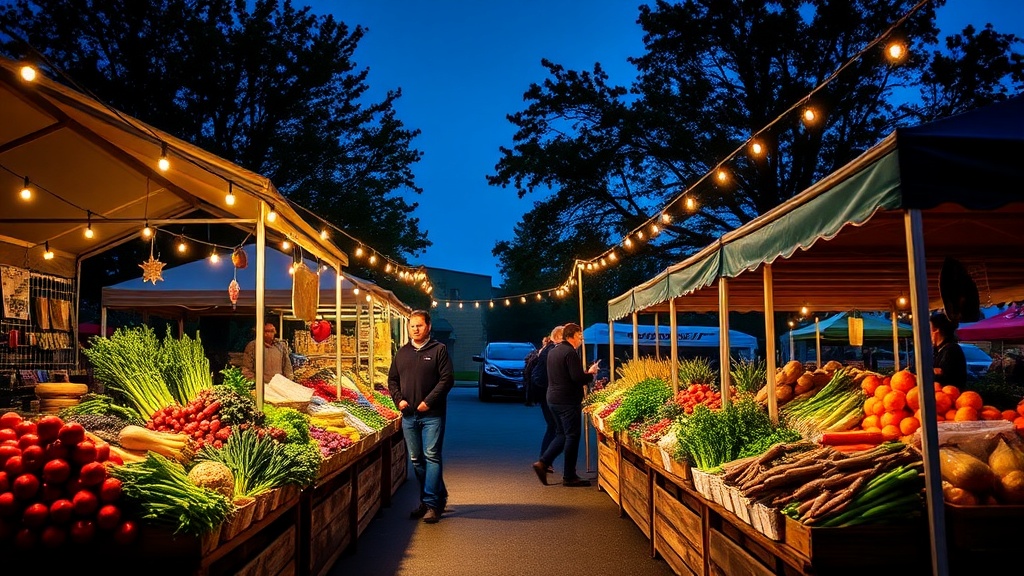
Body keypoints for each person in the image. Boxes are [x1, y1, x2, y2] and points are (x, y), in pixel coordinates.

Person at [387, 310, 455, 524]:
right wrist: (398, 400)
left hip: (432, 415)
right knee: (416, 459)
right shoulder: (402, 352)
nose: (415, 329)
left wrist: (429, 401)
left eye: (420, 325)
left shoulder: (439, 350)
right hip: (409, 416)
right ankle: (433, 498)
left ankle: (432, 504)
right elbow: (392, 380)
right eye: (412, 326)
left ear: (428, 327)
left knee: (431, 455)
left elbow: (447, 379)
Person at [531, 322, 598, 487]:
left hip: (553, 398)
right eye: (579, 336)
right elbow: (577, 378)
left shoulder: (553, 351)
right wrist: (591, 374)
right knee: (572, 436)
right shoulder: (570, 353)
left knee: (561, 434)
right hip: (567, 400)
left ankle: (543, 463)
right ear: (571, 336)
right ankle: (569, 476)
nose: (581, 339)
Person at [531, 326, 563, 471]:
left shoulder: (546, 349)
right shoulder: (552, 350)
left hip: (544, 392)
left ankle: (545, 460)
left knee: (552, 426)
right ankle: (544, 460)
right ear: (559, 337)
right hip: (548, 392)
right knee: (556, 428)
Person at [931, 312, 967, 389]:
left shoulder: (951, 350)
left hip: (950, 394)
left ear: (936, 330)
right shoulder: (938, 350)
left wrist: (931, 372)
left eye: (928, 328)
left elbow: (945, 378)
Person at [522, 336, 549, 406]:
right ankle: (532, 400)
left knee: (530, 387)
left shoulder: (536, 352)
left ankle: (530, 400)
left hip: (532, 373)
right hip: (537, 374)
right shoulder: (543, 352)